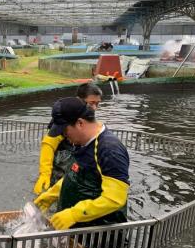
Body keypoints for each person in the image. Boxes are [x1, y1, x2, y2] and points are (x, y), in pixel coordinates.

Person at [34, 97, 129, 231]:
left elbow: (115, 199)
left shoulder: (109, 150)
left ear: (80, 123)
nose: (64, 136)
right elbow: (75, 175)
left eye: (64, 130)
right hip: (75, 229)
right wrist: (51, 195)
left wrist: (74, 214)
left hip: (100, 235)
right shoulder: (82, 143)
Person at [33, 82, 103, 194]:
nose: (94, 108)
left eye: (97, 104)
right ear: (79, 100)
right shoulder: (65, 117)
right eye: (91, 103)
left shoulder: (90, 122)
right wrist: (44, 173)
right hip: (61, 165)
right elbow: (48, 144)